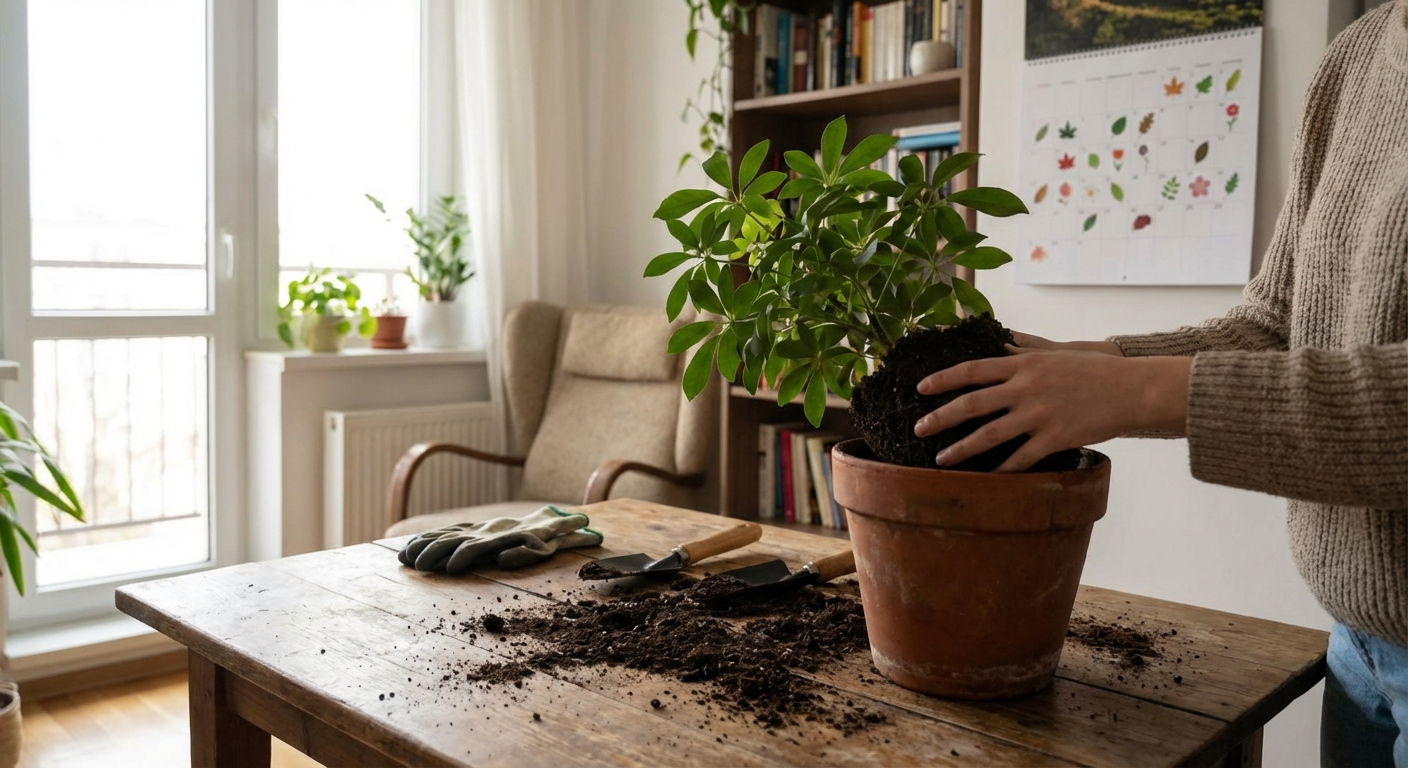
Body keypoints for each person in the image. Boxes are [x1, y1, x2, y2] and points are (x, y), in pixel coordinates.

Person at [914, 4, 1408, 766]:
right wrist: (1103, 359)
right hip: (1356, 641)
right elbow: (1280, 317)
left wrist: (1140, 394)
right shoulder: (1359, 55)